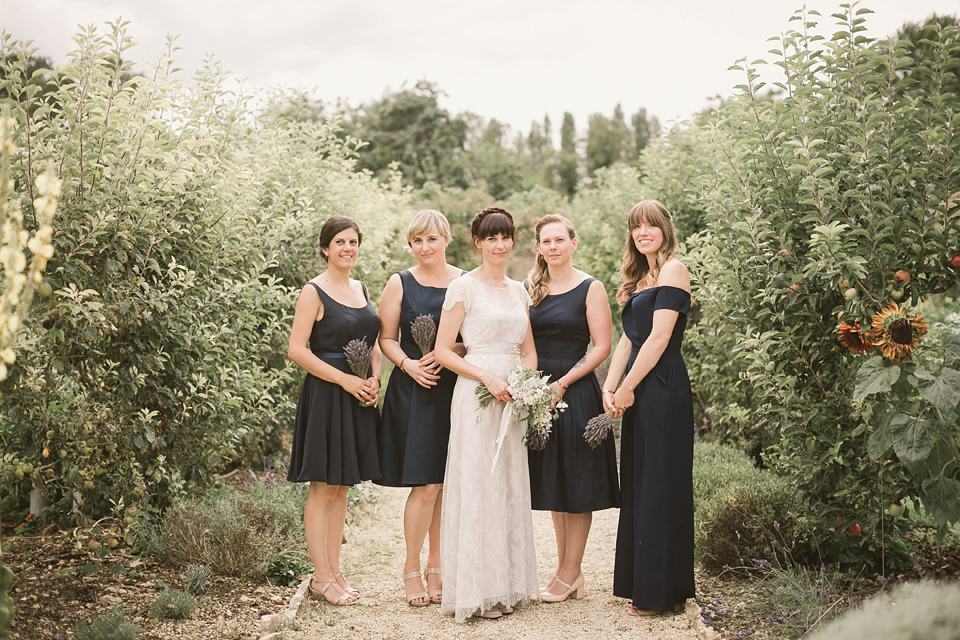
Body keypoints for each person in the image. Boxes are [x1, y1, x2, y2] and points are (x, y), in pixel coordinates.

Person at [434, 207, 540, 622]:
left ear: (512, 240)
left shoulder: (520, 290)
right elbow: (443, 350)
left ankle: (507, 585)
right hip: (477, 393)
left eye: (505, 237)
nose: (499, 245)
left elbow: (528, 350)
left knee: (509, 483)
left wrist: (523, 384)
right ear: (477, 242)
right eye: (490, 238)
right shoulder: (463, 288)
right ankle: (475, 590)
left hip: (512, 396)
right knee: (478, 481)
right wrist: (488, 379)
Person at [602, 200, 696, 616]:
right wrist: (610, 384)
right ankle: (644, 585)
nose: (643, 232)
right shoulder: (640, 279)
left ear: (664, 229)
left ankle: (660, 593)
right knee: (642, 482)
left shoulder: (674, 269)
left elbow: (658, 340)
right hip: (638, 384)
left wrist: (628, 387)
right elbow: (628, 339)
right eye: (636, 227)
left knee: (660, 484)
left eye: (650, 226)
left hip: (661, 384)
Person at [287, 216, 382, 606]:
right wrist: (344, 381)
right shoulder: (313, 291)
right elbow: (296, 349)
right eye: (339, 242)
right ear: (325, 248)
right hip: (328, 395)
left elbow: (373, 341)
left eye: (353, 241)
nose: (347, 248)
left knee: (342, 485)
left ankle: (335, 571)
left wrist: (375, 378)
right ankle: (320, 578)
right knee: (323, 486)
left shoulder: (360, 288)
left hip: (359, 394)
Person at [525, 214, 619, 603]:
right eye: (546, 241)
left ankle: (571, 571)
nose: (553, 247)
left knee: (577, 482)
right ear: (538, 248)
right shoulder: (533, 288)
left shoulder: (590, 287)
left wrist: (563, 383)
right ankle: (564, 570)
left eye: (559, 239)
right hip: (538, 392)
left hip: (575, 390)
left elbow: (601, 346)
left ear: (573, 243)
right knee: (554, 481)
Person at [375, 209, 464, 607]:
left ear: (447, 239)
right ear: (410, 245)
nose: (425, 247)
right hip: (413, 389)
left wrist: (451, 352)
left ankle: (438, 565)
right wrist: (408, 364)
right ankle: (412, 568)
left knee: (444, 484)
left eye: (432, 238)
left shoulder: (466, 281)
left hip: (454, 389)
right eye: (417, 241)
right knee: (425, 484)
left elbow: (474, 336)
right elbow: (386, 338)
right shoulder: (400, 283)